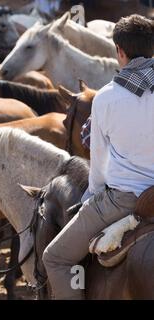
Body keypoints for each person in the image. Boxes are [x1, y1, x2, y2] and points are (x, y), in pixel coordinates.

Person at [42, 14, 154, 299]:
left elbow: (100, 168)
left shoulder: (106, 98)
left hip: (125, 200)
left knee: (55, 258)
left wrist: (90, 198)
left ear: (119, 51)